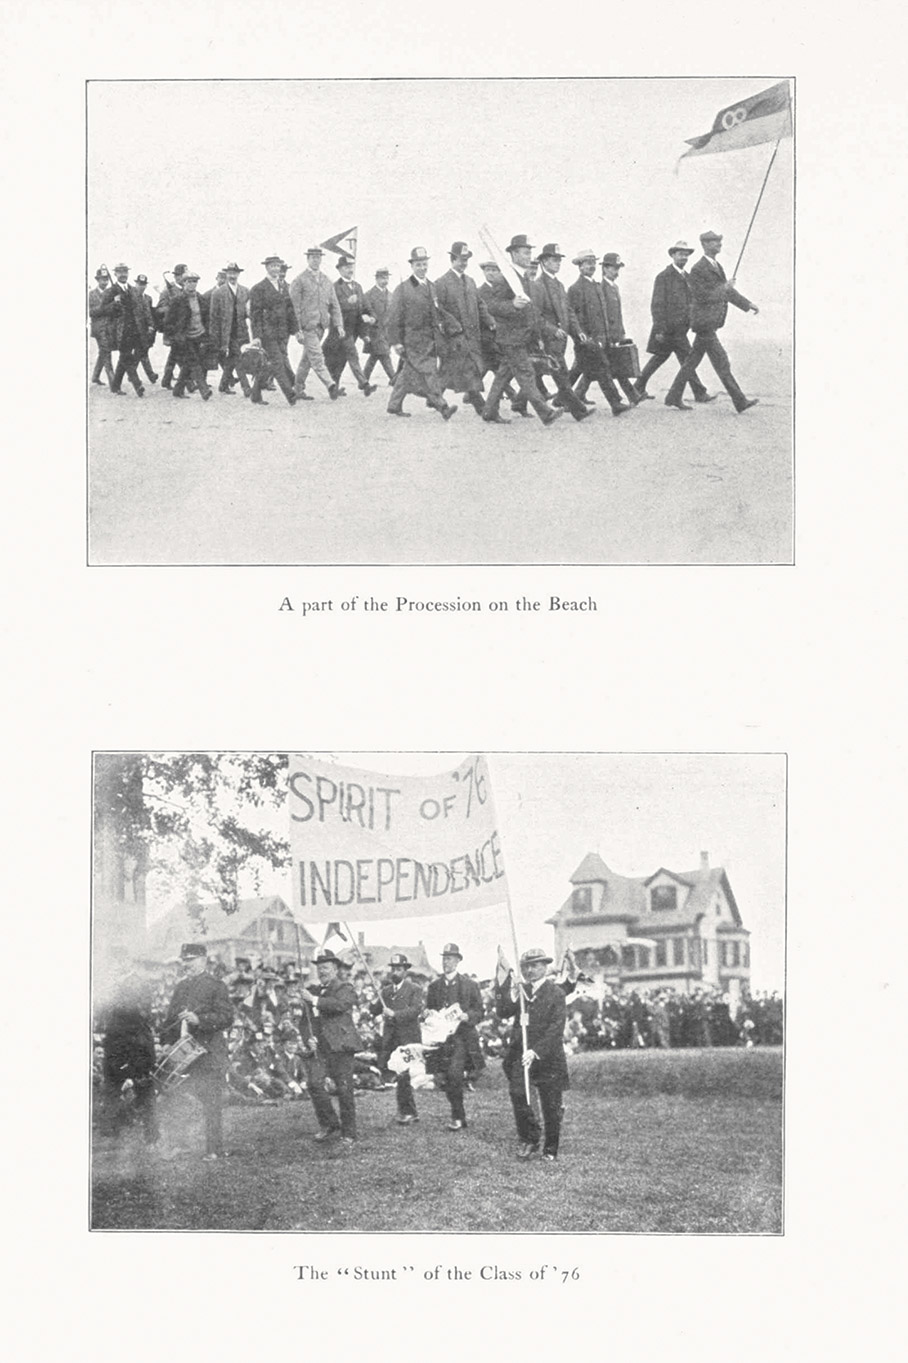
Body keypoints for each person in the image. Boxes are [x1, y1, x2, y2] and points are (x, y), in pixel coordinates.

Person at [663, 230, 760, 412]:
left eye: (719, 242)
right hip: (704, 323)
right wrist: (725, 287)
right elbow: (701, 296)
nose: (719, 245)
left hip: (709, 323)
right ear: (705, 245)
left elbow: (728, 293)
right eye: (716, 242)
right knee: (721, 361)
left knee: (691, 362)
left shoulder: (716, 266)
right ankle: (740, 401)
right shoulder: (698, 269)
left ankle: (673, 396)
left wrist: (748, 304)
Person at [480, 235, 565, 426]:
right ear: (514, 254)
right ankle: (545, 413)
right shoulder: (505, 278)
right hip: (511, 338)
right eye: (526, 252)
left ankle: (488, 411)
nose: (529, 256)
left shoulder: (524, 278)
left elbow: (531, 311)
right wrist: (512, 305)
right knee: (527, 374)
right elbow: (491, 305)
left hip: (523, 337)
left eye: (530, 252)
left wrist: (540, 334)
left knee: (503, 375)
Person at [160, 943, 234, 1160]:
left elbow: (227, 1017)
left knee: (211, 1101)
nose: (186, 965)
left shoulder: (216, 986)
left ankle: (214, 1149)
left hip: (209, 1052)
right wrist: (166, 1041)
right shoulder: (181, 987)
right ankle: (180, 1144)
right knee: (176, 1098)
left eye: (190, 960)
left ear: (203, 960)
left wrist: (200, 1020)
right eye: (184, 961)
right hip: (183, 1054)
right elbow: (170, 1019)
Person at [496, 947, 568, 1161]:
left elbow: (557, 1028)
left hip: (547, 1056)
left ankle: (550, 1148)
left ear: (545, 967)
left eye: (535, 965)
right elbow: (503, 1012)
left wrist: (536, 1051)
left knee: (550, 1104)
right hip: (520, 1054)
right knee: (519, 1095)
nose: (529, 970)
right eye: (526, 966)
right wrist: (507, 988)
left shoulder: (556, 993)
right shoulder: (521, 990)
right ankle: (529, 1138)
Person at [633, 241, 713, 403]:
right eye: (680, 254)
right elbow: (657, 305)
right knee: (687, 358)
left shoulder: (688, 277)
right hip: (669, 329)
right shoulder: (664, 277)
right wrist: (660, 330)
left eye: (686, 254)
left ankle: (637, 387)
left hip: (681, 328)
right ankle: (699, 392)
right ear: (673, 255)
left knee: (662, 358)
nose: (684, 257)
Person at [386, 247, 459, 419]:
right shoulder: (403, 288)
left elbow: (438, 312)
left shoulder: (432, 287)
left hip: (430, 339)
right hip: (413, 340)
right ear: (412, 266)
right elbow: (393, 318)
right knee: (430, 372)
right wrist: (396, 342)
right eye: (418, 264)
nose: (422, 268)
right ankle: (442, 406)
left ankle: (394, 405)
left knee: (407, 374)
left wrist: (452, 325)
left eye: (425, 264)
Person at [299, 949, 362, 1145]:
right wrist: (309, 1038)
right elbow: (305, 1021)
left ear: (335, 969)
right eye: (319, 968)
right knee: (314, 1084)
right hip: (321, 1048)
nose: (322, 972)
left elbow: (340, 1005)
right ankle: (329, 1123)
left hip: (341, 1047)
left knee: (344, 1090)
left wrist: (314, 1000)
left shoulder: (345, 988)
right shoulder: (314, 992)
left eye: (325, 968)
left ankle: (349, 1132)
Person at [97, 955, 160, 1147]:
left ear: (127, 963)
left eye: (117, 962)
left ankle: (152, 1137)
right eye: (112, 963)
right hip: (114, 1045)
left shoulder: (139, 984)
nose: (114, 966)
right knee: (112, 1088)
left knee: (144, 1089)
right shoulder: (110, 984)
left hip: (136, 1045)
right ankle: (111, 1137)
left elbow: (142, 1013)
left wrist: (113, 1003)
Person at [424, 943, 483, 1130]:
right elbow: (430, 1009)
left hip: (461, 1037)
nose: (446, 962)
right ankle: (458, 1113)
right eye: (444, 958)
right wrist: (427, 1013)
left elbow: (480, 1010)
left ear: (458, 961)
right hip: (440, 1038)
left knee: (454, 1073)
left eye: (449, 959)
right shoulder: (434, 986)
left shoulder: (470, 985)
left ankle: (457, 1116)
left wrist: (467, 1016)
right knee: (444, 1077)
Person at [434, 240, 495, 417]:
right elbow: (439, 310)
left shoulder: (470, 281)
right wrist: (454, 326)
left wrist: (489, 319)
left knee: (448, 371)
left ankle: (434, 397)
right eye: (461, 259)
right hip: (455, 336)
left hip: (472, 335)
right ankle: (483, 409)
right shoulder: (442, 283)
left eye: (466, 260)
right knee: (469, 372)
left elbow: (480, 304)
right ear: (452, 260)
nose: (464, 263)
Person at [565, 250, 629, 416]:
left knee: (580, 371)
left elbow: (603, 315)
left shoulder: (596, 286)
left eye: (593, 263)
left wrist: (607, 336)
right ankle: (615, 403)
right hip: (587, 340)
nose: (591, 266)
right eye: (587, 263)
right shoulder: (576, 289)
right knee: (602, 369)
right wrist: (583, 337)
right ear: (579, 267)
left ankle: (561, 398)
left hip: (600, 339)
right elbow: (574, 316)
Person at [370, 952, 424, 1124]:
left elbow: (415, 1010)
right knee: (399, 1075)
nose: (395, 972)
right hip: (392, 1040)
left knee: (404, 1075)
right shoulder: (385, 991)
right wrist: (375, 997)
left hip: (408, 1038)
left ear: (405, 971)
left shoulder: (414, 989)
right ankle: (408, 1111)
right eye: (393, 969)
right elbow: (375, 1010)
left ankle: (407, 1111)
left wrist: (395, 1014)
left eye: (399, 969)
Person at [289, 247, 344, 400]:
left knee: (307, 360)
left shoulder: (327, 280)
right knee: (317, 357)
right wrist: (297, 329)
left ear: (321, 259)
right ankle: (331, 385)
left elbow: (335, 305)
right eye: (312, 257)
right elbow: (294, 307)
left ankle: (298, 389)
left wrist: (339, 325)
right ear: (308, 259)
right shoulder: (299, 280)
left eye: (318, 257)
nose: (315, 260)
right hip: (307, 327)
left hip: (321, 327)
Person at [247, 255, 299, 406]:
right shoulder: (258, 288)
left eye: (278, 266)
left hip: (282, 333)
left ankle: (255, 395)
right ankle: (291, 394)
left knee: (269, 364)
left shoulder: (284, 287)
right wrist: (256, 336)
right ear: (267, 268)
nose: (276, 269)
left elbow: (290, 310)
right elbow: (255, 315)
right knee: (277, 362)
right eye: (272, 266)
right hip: (267, 333)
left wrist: (295, 330)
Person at [592, 253, 642, 407]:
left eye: (618, 268)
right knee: (605, 367)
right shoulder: (602, 288)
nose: (616, 271)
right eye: (613, 268)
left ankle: (633, 395)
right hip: (608, 335)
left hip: (615, 334)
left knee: (609, 366)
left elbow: (618, 314)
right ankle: (632, 395)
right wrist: (610, 335)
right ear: (605, 269)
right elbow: (605, 315)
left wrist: (622, 333)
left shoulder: (614, 287)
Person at [322, 254, 377, 396]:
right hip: (339, 331)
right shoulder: (335, 287)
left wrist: (371, 317)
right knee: (352, 356)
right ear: (339, 270)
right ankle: (364, 384)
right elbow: (332, 308)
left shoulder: (358, 287)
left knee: (341, 361)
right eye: (346, 267)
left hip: (353, 331)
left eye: (351, 266)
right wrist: (347, 302)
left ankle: (334, 389)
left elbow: (366, 306)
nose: (349, 269)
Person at [164, 271, 213, 400]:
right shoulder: (177, 300)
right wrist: (173, 336)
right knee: (194, 361)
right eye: (189, 281)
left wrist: (207, 334)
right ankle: (204, 389)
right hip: (184, 338)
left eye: (194, 281)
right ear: (184, 283)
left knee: (187, 365)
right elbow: (168, 321)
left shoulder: (201, 298)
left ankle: (178, 389)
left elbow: (206, 318)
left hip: (199, 335)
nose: (192, 284)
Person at [101, 263, 147, 397]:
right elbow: (103, 310)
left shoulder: (133, 290)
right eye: (120, 272)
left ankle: (115, 386)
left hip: (134, 330)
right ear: (115, 274)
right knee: (127, 356)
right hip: (120, 331)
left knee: (123, 358)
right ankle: (138, 385)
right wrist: (113, 303)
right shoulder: (110, 291)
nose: (123, 274)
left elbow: (139, 309)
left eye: (125, 271)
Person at [208, 262, 251, 396]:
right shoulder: (218, 293)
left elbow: (248, 311)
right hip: (226, 333)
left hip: (241, 332)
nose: (232, 276)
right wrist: (215, 337)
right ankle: (246, 387)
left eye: (235, 273)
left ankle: (223, 385)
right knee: (238, 358)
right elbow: (213, 317)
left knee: (232, 359)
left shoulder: (245, 291)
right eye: (230, 273)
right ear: (226, 274)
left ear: (238, 274)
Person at [362, 268, 396, 384]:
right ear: (376, 279)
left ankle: (363, 380)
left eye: (386, 278)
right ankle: (394, 379)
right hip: (375, 331)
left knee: (375, 357)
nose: (385, 280)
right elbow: (365, 312)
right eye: (382, 278)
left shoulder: (391, 295)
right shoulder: (369, 295)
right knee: (385, 356)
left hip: (387, 332)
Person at [156, 264, 187, 389]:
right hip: (173, 329)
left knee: (174, 356)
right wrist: (172, 309)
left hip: (184, 329)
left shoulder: (186, 290)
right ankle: (188, 383)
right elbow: (159, 309)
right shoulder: (167, 291)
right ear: (177, 277)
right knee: (178, 355)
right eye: (183, 276)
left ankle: (167, 380)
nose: (185, 278)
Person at [89, 267, 115, 386]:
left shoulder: (111, 293)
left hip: (109, 328)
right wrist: (104, 308)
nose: (105, 282)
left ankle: (95, 376)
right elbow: (90, 312)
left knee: (103, 352)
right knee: (106, 352)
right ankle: (113, 381)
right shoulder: (92, 295)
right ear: (97, 280)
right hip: (98, 328)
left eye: (106, 279)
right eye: (102, 279)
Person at [132, 275, 159, 385]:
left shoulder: (148, 298)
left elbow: (149, 314)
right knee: (141, 352)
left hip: (146, 331)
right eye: (139, 284)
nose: (141, 287)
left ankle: (132, 373)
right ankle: (150, 375)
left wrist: (152, 326)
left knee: (141, 353)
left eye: (143, 285)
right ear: (136, 284)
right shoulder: (132, 298)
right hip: (135, 331)